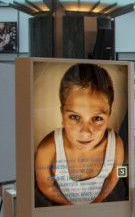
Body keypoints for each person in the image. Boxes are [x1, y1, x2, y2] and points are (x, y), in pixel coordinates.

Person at [34, 63, 126, 206]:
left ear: (109, 116)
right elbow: (45, 186)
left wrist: (95, 204)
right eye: (75, 117)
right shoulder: (48, 148)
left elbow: (113, 178)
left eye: (97, 119)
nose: (85, 131)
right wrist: (73, 210)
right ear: (62, 114)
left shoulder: (115, 145)